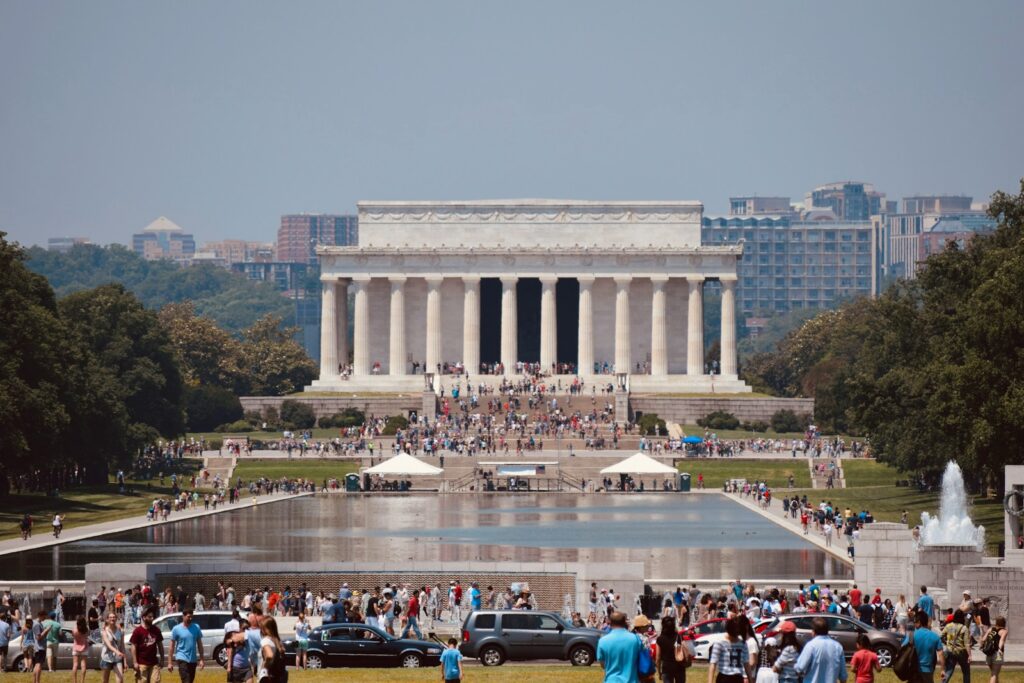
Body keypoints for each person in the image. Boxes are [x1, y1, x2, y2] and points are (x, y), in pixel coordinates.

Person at [794, 617, 846, 683]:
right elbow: (843, 676)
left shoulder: (811, 645)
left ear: (814, 631)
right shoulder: (837, 646)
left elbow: (799, 668)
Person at [597, 611, 642, 683]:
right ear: (624, 622)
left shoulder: (602, 641)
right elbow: (641, 659)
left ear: (610, 622)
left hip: (611, 680)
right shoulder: (635, 639)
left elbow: (602, 664)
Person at [708, 616, 753, 683]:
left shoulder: (743, 644)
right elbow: (713, 664)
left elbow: (746, 664)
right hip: (724, 677)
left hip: (738, 678)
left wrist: (750, 680)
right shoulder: (719, 643)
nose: (737, 635)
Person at [903, 611, 943, 683]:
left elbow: (903, 648)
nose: (914, 624)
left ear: (919, 622)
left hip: (913, 670)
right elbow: (941, 654)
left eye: (915, 622)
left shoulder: (911, 635)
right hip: (928, 671)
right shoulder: (935, 636)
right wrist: (943, 669)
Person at [167, 609, 204, 683]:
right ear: (183, 616)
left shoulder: (196, 627)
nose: (190, 619)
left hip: (193, 660)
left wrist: (201, 659)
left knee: (190, 680)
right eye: (188, 617)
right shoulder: (176, 629)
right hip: (182, 658)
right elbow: (171, 646)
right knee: (186, 680)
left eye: (191, 617)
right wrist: (169, 662)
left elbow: (199, 644)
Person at [130, 609, 165, 683]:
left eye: (153, 617)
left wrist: (162, 659)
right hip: (141, 664)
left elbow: (160, 645)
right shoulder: (138, 631)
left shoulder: (156, 630)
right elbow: (133, 647)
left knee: (156, 681)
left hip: (154, 663)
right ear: (144, 617)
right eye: (149, 617)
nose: (152, 618)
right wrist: (135, 662)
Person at [940, 610, 971, 683]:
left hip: (950, 651)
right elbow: (967, 643)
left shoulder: (948, 626)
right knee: (966, 672)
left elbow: (941, 636)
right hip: (961, 652)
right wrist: (969, 655)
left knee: (949, 670)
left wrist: (947, 643)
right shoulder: (964, 628)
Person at [657, 616, 689, 683]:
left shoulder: (660, 639)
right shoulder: (678, 636)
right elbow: (685, 647)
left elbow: (658, 657)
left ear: (663, 625)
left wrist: (659, 671)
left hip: (666, 668)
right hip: (679, 666)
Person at [257, 617, 286, 683]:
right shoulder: (277, 641)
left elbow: (269, 655)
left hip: (266, 676)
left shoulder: (265, 641)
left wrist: (264, 668)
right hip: (276, 677)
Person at [100, 612, 125, 683]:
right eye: (110, 617)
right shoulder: (104, 632)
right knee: (105, 681)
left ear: (116, 619)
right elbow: (109, 645)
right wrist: (117, 652)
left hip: (117, 659)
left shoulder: (120, 631)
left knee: (120, 680)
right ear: (107, 619)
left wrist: (125, 661)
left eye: (114, 617)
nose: (112, 619)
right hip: (106, 658)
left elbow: (122, 646)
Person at [983, 617, 1007, 683]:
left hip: (989, 653)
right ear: (1004, 622)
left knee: (994, 674)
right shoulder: (1004, 631)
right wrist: (999, 649)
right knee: (994, 674)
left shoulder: (990, 629)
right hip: (997, 654)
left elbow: (983, 639)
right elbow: (1001, 641)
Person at [73, 616, 91, 683]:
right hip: (84, 648)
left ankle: (74, 681)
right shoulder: (87, 629)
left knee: (75, 665)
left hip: (76, 648)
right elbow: (87, 636)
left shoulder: (74, 630)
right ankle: (82, 681)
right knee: (83, 665)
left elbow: (73, 636)